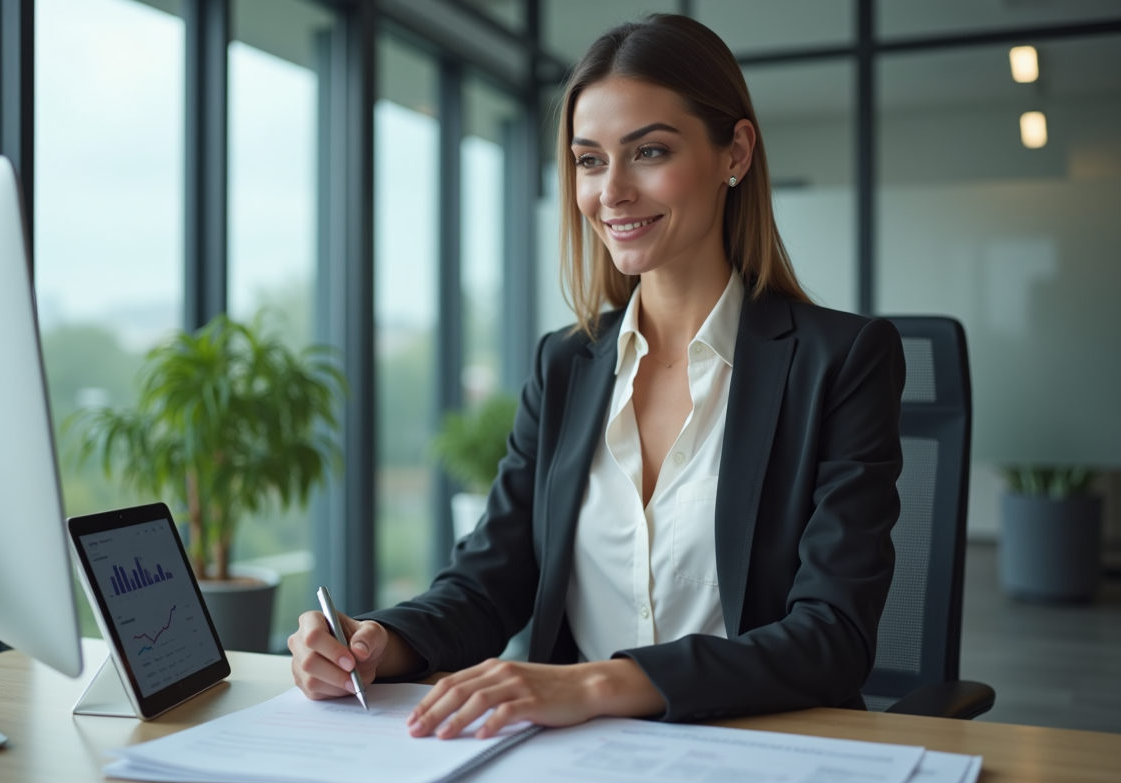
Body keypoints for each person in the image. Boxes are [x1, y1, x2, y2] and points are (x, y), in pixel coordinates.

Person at [289, 13, 904, 740]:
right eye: (588, 160)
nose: (611, 191)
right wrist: (378, 642)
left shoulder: (843, 360)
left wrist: (598, 683)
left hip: (758, 752)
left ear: (734, 151)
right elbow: (490, 582)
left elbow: (831, 636)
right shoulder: (566, 365)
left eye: (648, 151)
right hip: (574, 760)